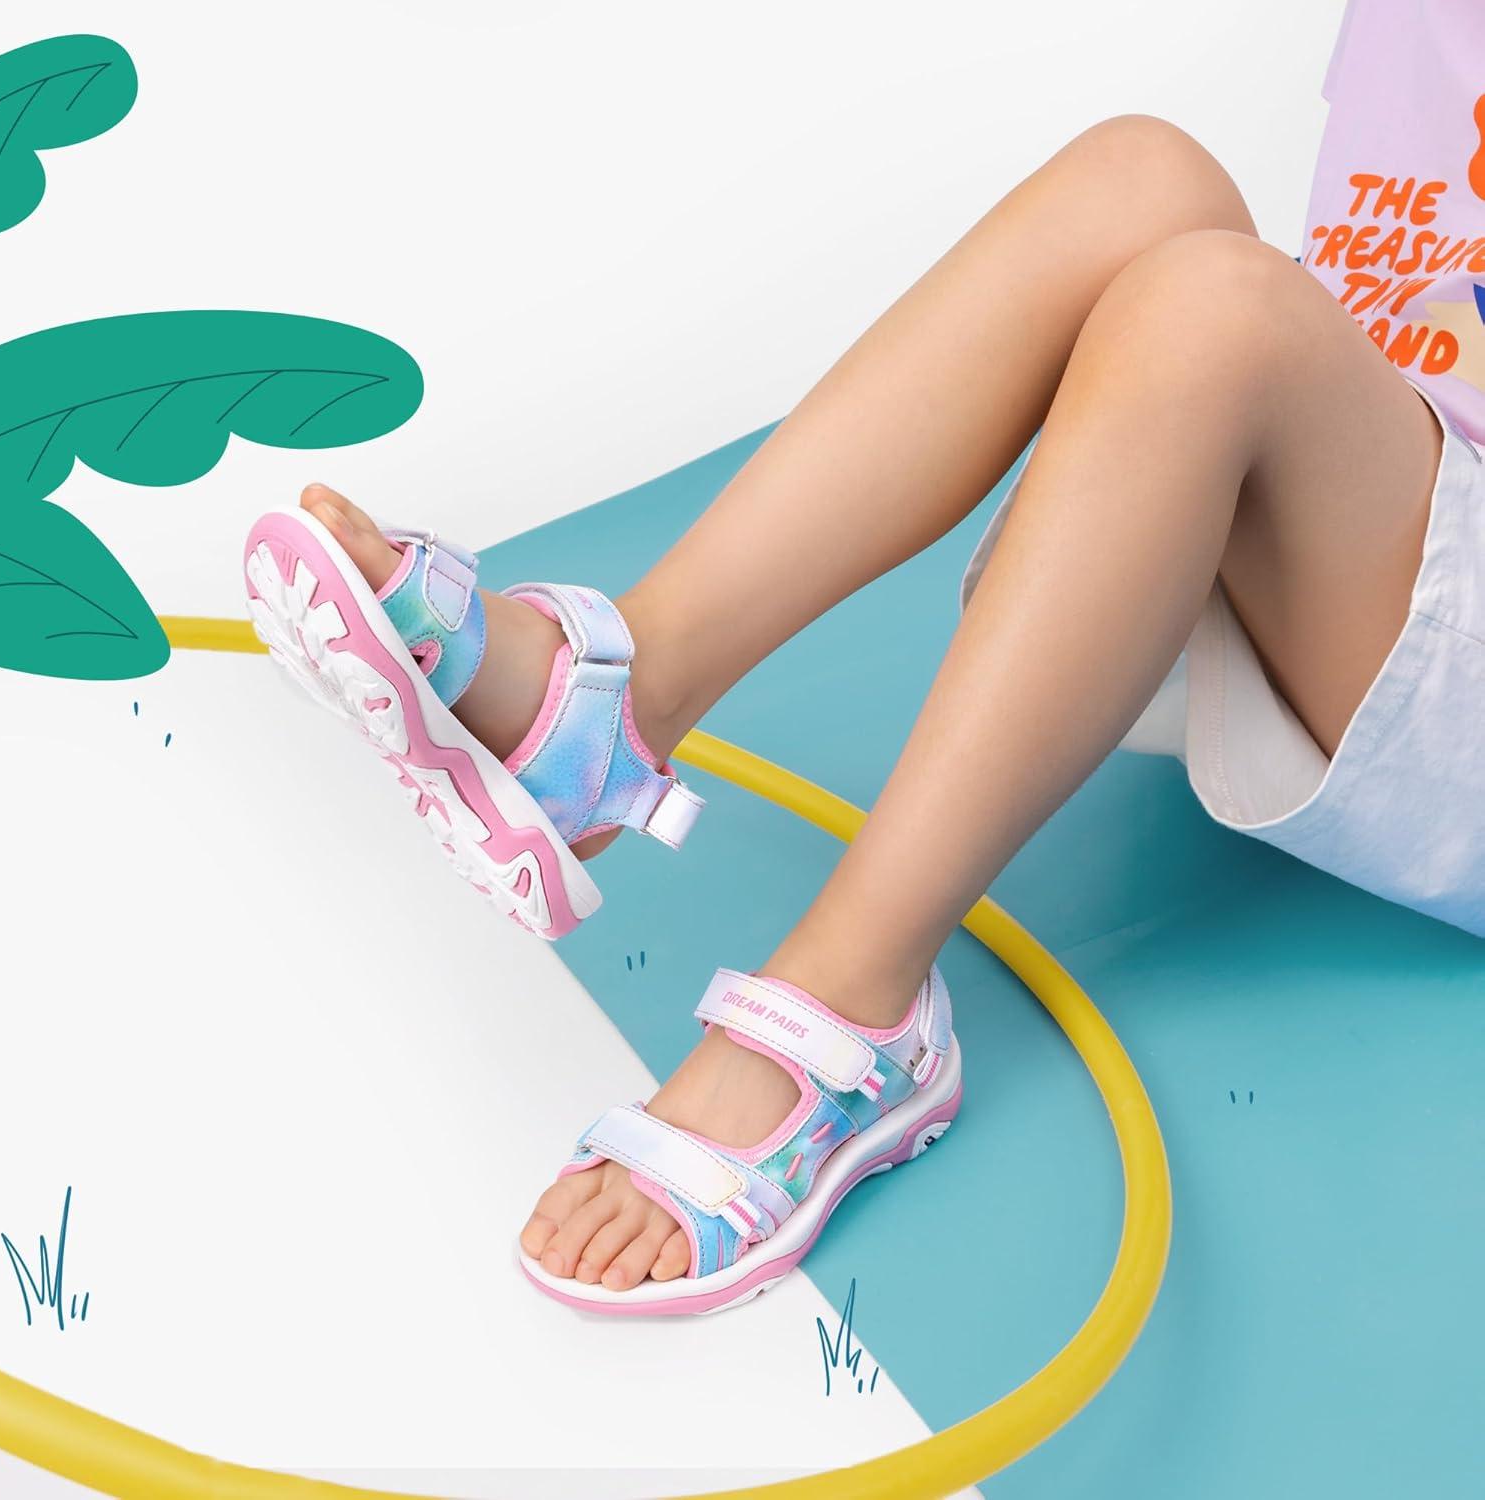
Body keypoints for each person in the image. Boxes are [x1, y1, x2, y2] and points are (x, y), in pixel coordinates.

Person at [245, 0, 1485, 1308]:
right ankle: (605, 702)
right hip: (1398, 476)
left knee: (1217, 313)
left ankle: (854, 1006)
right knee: (1145, 180)